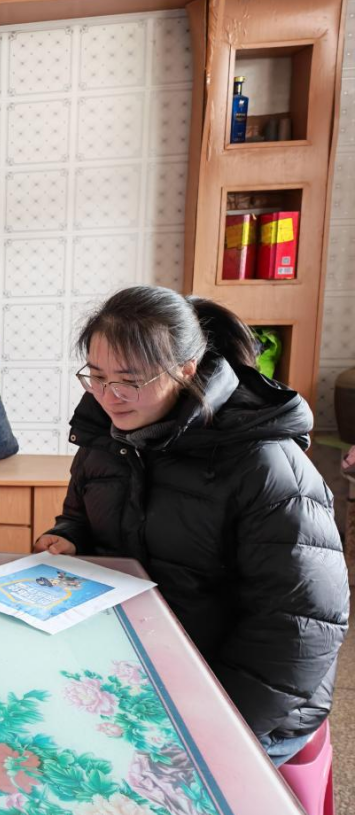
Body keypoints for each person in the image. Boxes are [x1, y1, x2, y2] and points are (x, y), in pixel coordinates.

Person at [35, 285, 348, 765]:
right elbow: (81, 514)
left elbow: (298, 627)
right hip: (146, 653)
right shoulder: (107, 436)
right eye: (95, 376)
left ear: (186, 368)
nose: (109, 396)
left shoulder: (264, 464)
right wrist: (69, 536)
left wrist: (215, 730)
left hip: (247, 695)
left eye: (130, 379)